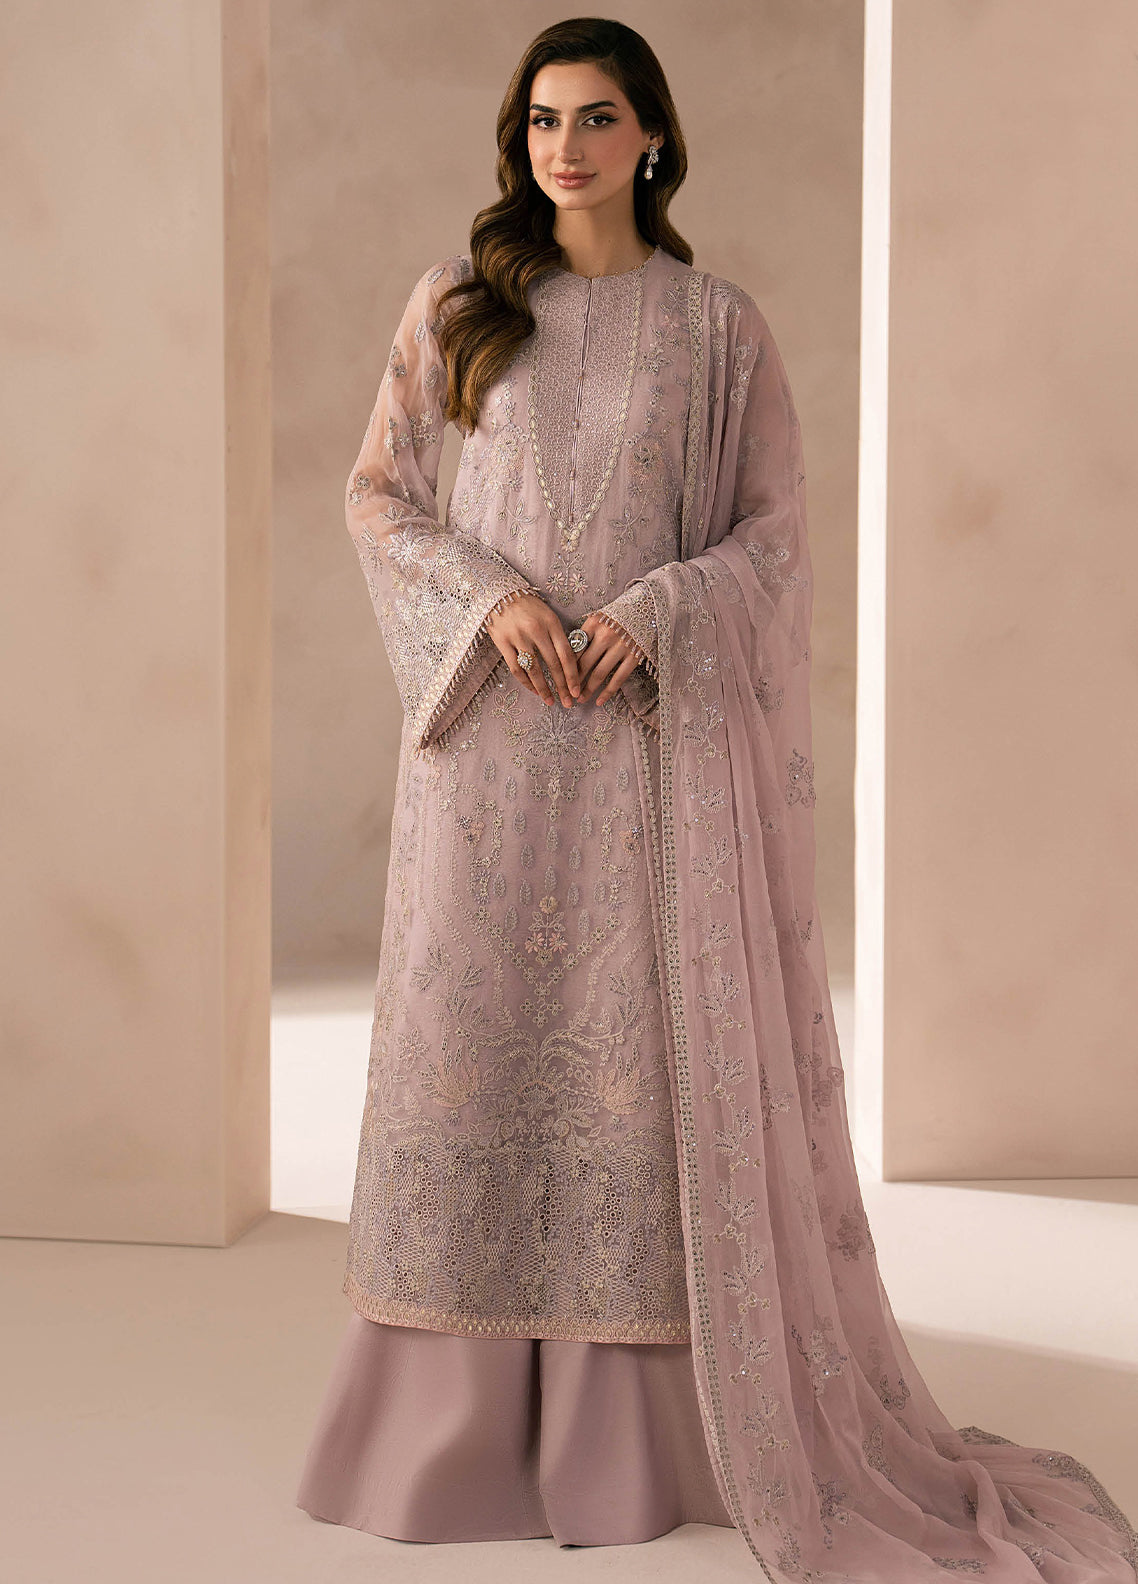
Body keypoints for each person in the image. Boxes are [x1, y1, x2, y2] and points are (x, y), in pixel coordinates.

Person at [296, 16, 1138, 1580]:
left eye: (595, 118)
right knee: (468, 1058)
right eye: (541, 120)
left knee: (623, 1076)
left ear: (653, 139)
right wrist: (488, 599)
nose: (564, 147)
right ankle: (442, 1431)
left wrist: (660, 608)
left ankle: (639, 1438)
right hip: (487, 758)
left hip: (640, 758)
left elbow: (771, 534)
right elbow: (379, 497)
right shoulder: (458, 304)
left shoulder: (714, 332)